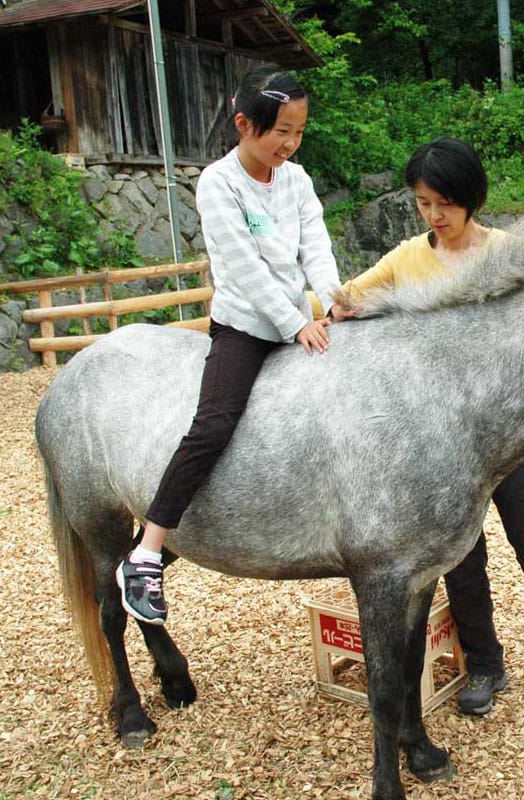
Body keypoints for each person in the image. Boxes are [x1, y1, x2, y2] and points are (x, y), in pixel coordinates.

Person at [330, 136, 524, 715]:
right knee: (461, 564)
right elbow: (344, 302)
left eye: (445, 204)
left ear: (471, 199)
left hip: (516, 437)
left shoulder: (512, 255)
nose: (435, 216)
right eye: (423, 204)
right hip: (441, 450)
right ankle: (485, 666)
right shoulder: (407, 259)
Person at [116, 67, 342, 626]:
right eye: (280, 132)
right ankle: (147, 552)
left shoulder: (297, 180)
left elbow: (316, 247)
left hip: (297, 318)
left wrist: (337, 300)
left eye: (298, 131)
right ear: (245, 124)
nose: (290, 143)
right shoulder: (217, 184)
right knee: (213, 424)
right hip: (246, 325)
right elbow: (243, 270)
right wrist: (296, 324)